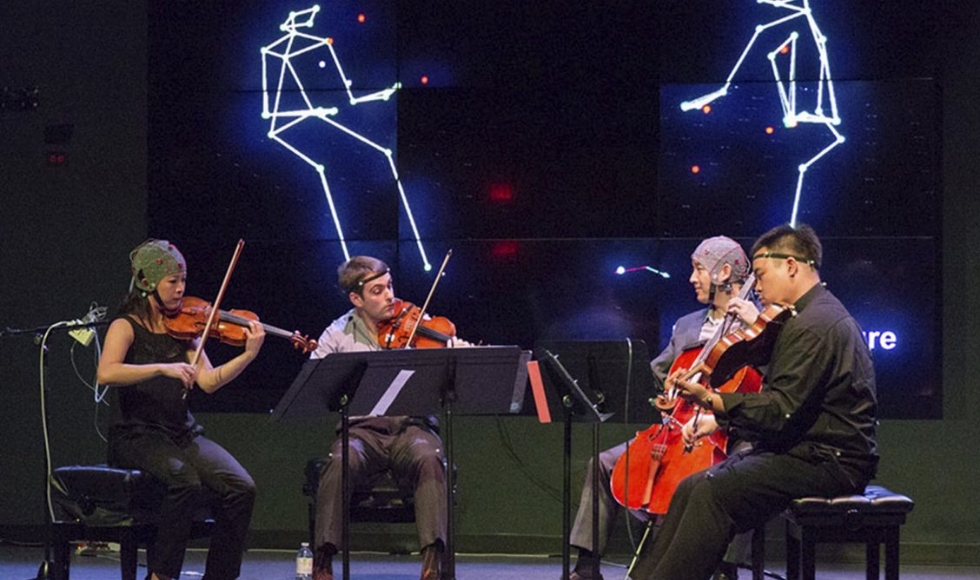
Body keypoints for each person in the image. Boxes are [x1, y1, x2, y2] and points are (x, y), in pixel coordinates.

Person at [629, 224, 879, 580]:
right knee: (690, 486)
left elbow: (782, 409)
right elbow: (788, 406)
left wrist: (713, 400)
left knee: (711, 494)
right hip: (806, 449)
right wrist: (719, 420)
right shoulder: (805, 318)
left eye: (760, 276)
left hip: (830, 460)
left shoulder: (815, 324)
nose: (756, 288)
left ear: (791, 266)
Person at [568, 236, 758, 580]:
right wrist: (665, 390)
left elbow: (770, 384)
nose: (691, 278)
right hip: (680, 426)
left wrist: (758, 329)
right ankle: (586, 566)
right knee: (603, 463)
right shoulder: (687, 325)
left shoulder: (755, 324)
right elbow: (658, 373)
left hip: (730, 431)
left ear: (724, 271)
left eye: (698, 268)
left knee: (738, 469)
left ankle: (723, 567)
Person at [97, 239, 266, 580]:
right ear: (147, 282)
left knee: (241, 487)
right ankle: (161, 575)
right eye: (172, 281)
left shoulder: (185, 328)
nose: (180, 289)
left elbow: (208, 381)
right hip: (137, 435)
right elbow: (106, 372)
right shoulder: (125, 325)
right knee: (185, 481)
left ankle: (219, 576)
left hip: (181, 433)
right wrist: (162, 367)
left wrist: (247, 355)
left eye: (183, 280)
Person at [309, 256, 468, 580]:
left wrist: (456, 353)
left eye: (390, 286)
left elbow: (448, 379)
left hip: (411, 427)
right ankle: (323, 561)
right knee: (340, 460)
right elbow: (315, 384)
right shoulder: (337, 334)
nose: (389, 296)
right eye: (378, 290)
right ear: (357, 298)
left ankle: (432, 565)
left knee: (429, 456)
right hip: (361, 431)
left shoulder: (413, 326)